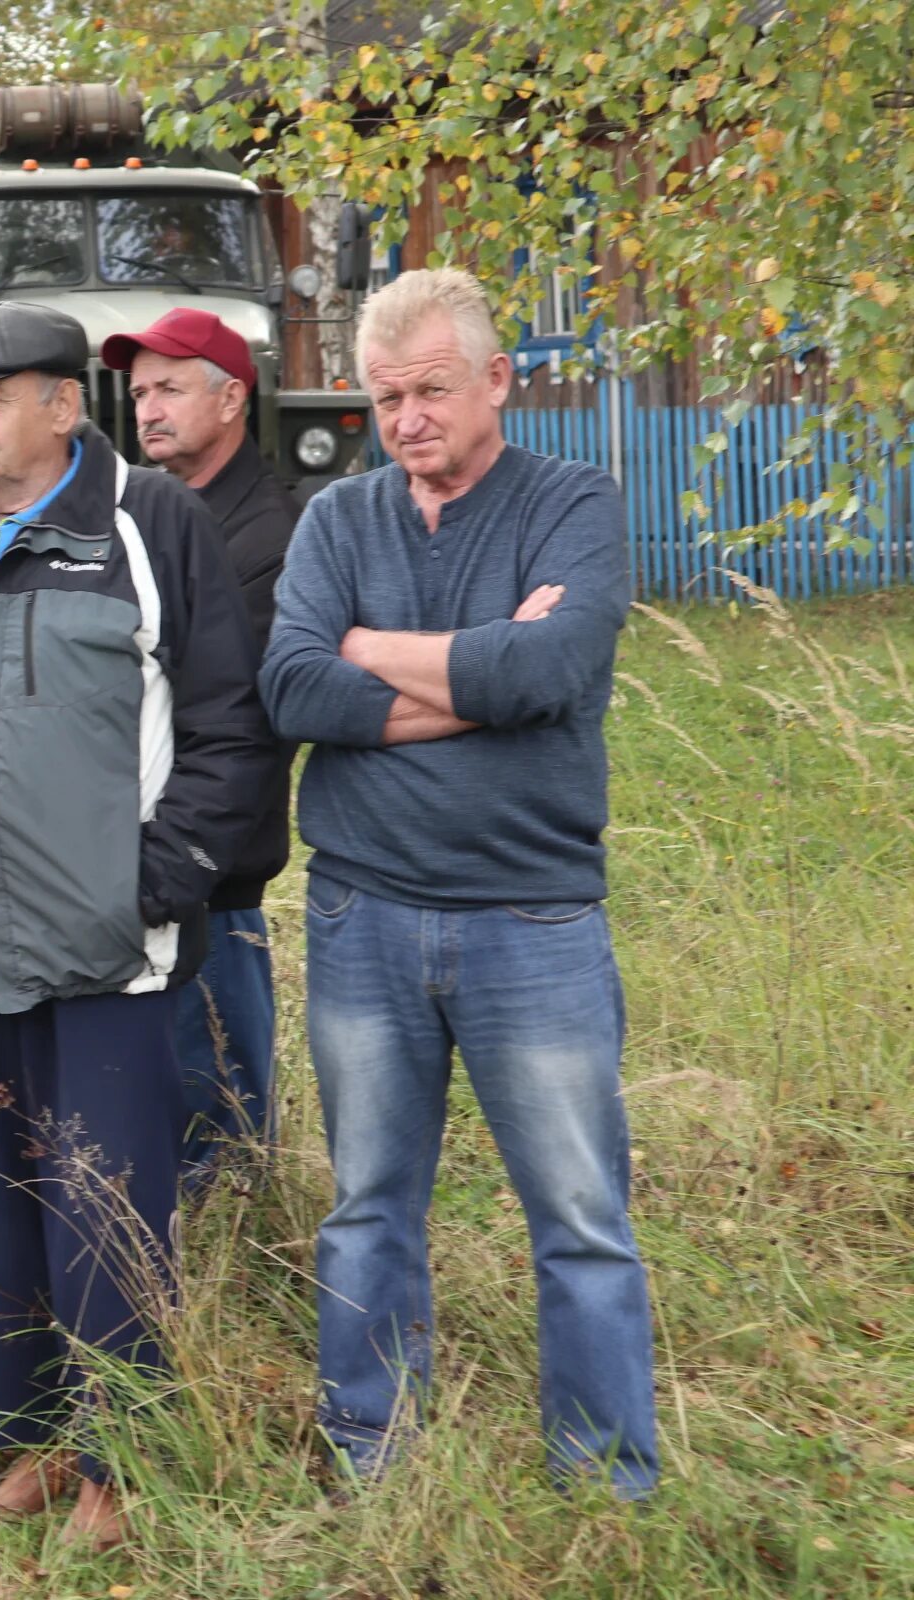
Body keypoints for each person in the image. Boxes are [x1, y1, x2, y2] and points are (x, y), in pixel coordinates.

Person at [0, 302, 275, 1548]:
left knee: (112, 1202)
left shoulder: (149, 526)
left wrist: (158, 881)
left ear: (62, 405)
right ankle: (29, 1438)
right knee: (7, 1197)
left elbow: (227, 721)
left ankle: (120, 1459)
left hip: (115, 953)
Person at [259, 268, 655, 1498]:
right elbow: (290, 689)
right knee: (369, 1204)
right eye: (386, 397)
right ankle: (372, 1452)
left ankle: (605, 1476)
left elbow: (555, 670)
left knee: (581, 1216)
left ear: (496, 378)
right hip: (362, 911)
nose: (408, 417)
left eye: (432, 388)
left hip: (532, 918)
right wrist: (471, 679)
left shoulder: (574, 504)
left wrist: (373, 652)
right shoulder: (340, 521)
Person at [104, 309, 302, 1178]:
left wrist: (179, 854)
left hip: (211, 881)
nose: (147, 407)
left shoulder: (269, 535)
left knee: (218, 1138)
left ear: (231, 398)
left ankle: (231, 1291)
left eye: (169, 388)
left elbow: (232, 716)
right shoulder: (138, 519)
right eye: (140, 390)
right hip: (131, 866)